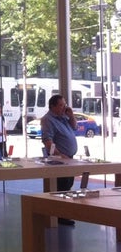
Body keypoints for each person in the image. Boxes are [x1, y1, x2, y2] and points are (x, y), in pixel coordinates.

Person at [41, 94, 78, 225]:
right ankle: (59, 216)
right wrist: (60, 155)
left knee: (68, 185)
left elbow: (74, 127)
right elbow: (47, 140)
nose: (64, 107)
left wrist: (71, 115)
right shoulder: (48, 120)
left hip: (69, 158)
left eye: (64, 104)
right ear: (53, 106)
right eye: (61, 105)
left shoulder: (63, 117)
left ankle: (63, 213)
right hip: (60, 159)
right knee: (61, 187)